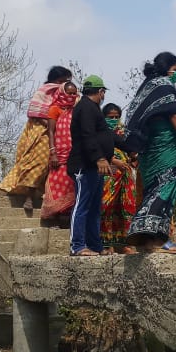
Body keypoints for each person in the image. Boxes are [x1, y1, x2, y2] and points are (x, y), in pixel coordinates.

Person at [122, 52, 176, 254]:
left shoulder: (146, 88)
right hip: (165, 149)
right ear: (167, 68)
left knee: (152, 190)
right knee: (163, 190)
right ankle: (157, 240)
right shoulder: (163, 86)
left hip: (149, 152)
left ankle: (147, 241)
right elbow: (174, 114)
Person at [66, 75, 128, 256]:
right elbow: (87, 135)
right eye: (103, 93)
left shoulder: (94, 110)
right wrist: (99, 158)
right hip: (84, 166)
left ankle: (95, 245)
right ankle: (77, 246)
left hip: (95, 168)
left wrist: (132, 147)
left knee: (94, 208)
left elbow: (107, 135)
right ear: (101, 92)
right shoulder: (85, 107)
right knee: (82, 205)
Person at [0, 66, 73, 210]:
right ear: (54, 80)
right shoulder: (44, 91)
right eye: (61, 81)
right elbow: (36, 112)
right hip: (42, 131)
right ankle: (29, 197)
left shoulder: (68, 95)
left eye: (66, 81)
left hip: (62, 136)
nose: (63, 84)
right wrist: (52, 125)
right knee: (38, 162)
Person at [100, 103, 140, 254]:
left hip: (125, 174)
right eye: (110, 117)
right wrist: (115, 161)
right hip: (108, 173)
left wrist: (133, 158)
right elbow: (96, 151)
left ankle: (123, 244)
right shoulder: (99, 131)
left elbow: (131, 150)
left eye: (117, 117)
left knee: (125, 207)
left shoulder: (124, 132)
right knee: (107, 206)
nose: (114, 120)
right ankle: (106, 243)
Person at [40, 82, 79, 221]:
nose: (72, 96)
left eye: (74, 93)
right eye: (69, 93)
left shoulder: (76, 111)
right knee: (57, 183)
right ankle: (55, 212)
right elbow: (51, 132)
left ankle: (66, 214)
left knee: (70, 183)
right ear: (62, 93)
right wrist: (53, 153)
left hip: (73, 153)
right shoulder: (54, 109)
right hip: (59, 153)